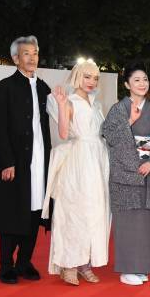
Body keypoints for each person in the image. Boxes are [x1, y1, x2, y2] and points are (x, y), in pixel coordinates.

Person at [41, 60, 110, 285]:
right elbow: (62, 134)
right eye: (87, 76)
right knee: (74, 211)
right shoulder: (69, 101)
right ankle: (68, 263)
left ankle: (85, 264)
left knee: (94, 211)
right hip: (78, 161)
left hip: (98, 161)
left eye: (96, 78)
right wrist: (62, 105)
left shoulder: (97, 104)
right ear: (77, 76)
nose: (92, 82)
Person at [0, 36, 51, 284]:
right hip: (15, 162)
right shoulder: (4, 87)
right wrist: (6, 161)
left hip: (40, 161)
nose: (32, 57)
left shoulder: (44, 87)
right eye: (27, 53)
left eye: (35, 52)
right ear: (16, 58)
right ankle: (6, 266)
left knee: (35, 211)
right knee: (12, 212)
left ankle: (25, 261)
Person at [102, 62, 150, 286]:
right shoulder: (118, 109)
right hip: (125, 173)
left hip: (149, 171)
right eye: (137, 80)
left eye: (145, 79)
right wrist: (129, 121)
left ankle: (142, 267)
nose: (142, 83)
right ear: (127, 84)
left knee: (147, 221)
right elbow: (109, 136)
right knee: (127, 222)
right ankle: (127, 269)